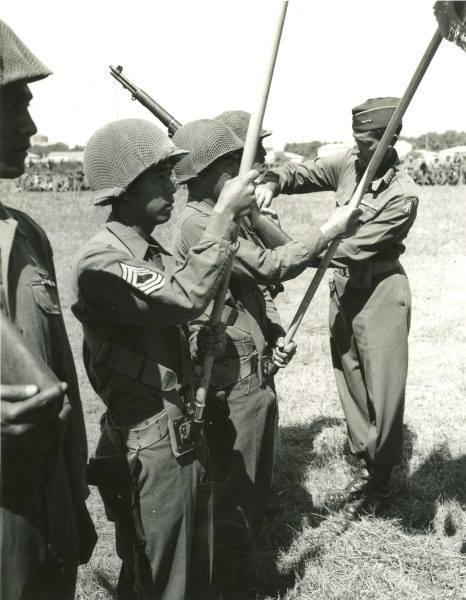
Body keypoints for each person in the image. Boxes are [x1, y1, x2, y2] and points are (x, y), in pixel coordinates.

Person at [71, 117, 258, 600]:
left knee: (190, 569)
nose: (173, 183)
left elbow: (164, 324)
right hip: (150, 442)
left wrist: (199, 346)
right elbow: (184, 297)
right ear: (126, 189)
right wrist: (221, 219)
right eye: (159, 174)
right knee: (163, 579)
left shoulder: (148, 254)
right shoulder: (103, 262)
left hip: (177, 434)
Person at [171, 118, 361, 592]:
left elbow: (253, 292)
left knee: (250, 483)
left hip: (249, 366)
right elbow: (270, 266)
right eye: (237, 165)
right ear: (215, 171)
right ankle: (236, 584)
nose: (249, 173)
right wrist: (328, 230)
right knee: (237, 492)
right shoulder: (201, 221)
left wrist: (273, 331)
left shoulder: (217, 214)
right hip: (231, 377)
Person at [256, 97, 419, 518]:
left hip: (380, 292)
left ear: (391, 138)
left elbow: (342, 251)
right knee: (350, 380)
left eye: (367, 141)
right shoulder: (348, 162)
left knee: (383, 391)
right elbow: (300, 173)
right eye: (356, 139)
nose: (360, 148)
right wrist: (271, 181)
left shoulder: (403, 197)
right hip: (344, 292)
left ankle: (381, 482)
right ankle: (367, 466)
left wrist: (275, 237)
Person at [0, 19, 95, 599]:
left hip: (42, 512)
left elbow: (61, 383)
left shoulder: (27, 234)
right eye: (11, 105)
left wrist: (73, 500)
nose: (31, 126)